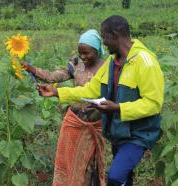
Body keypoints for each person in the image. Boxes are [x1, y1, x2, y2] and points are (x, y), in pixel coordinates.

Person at [37, 15, 164, 186]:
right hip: (119, 130)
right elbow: (91, 90)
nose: (103, 43)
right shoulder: (112, 61)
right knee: (125, 177)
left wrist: (118, 108)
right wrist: (57, 93)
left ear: (114, 35)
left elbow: (153, 104)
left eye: (104, 38)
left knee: (115, 177)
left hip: (139, 133)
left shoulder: (145, 62)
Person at [21, 29, 106, 186]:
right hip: (75, 122)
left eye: (87, 53)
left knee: (90, 164)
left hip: (95, 125)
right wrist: (31, 69)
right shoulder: (76, 66)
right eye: (80, 53)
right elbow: (54, 76)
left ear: (97, 49)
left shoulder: (107, 69)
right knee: (70, 160)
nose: (83, 57)